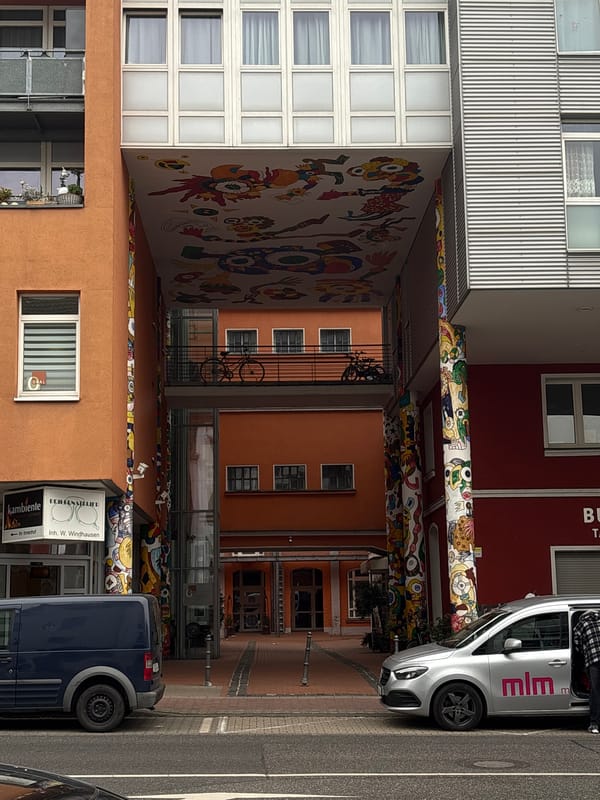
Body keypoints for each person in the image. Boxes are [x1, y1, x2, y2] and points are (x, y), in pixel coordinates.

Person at [573, 610, 600, 734]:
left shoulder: (581, 624)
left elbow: (577, 644)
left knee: (595, 691)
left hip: (594, 661)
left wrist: (585, 651)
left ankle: (594, 723)